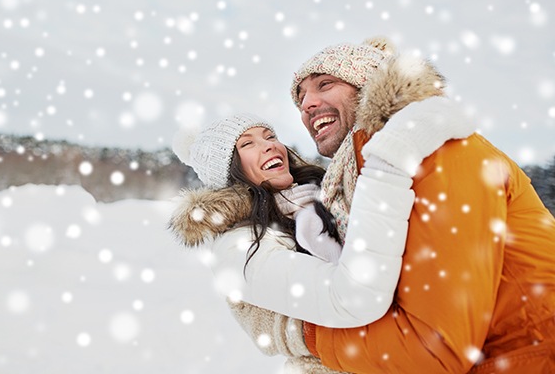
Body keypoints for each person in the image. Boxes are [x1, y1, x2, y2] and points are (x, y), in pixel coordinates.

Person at [270, 37, 554, 373]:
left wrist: (302, 335)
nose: (306, 104)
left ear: (367, 85)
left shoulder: (437, 148)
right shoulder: (364, 178)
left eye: (324, 84)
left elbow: (434, 350)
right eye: (300, 98)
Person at [168, 108, 472, 372]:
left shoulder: (324, 198)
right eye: (248, 144)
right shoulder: (237, 246)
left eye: (269, 136)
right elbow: (352, 296)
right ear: (229, 172)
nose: (270, 147)